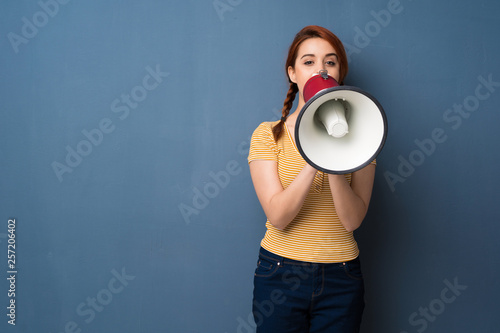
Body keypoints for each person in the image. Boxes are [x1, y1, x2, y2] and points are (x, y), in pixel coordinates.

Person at [247, 25, 376, 332]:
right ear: (292, 73)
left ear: (339, 72)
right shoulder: (268, 134)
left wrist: (335, 155)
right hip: (279, 272)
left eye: (330, 62)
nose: (321, 69)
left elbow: (352, 220)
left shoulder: (364, 137)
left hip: (341, 278)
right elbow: (279, 216)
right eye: (308, 61)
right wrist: (314, 155)